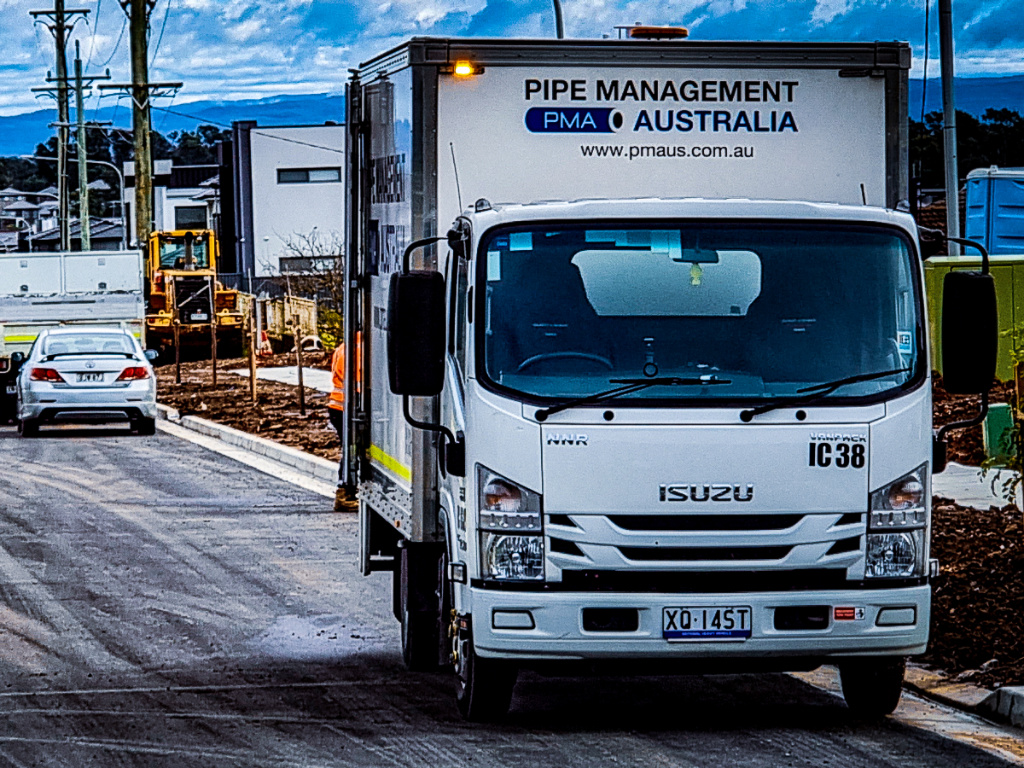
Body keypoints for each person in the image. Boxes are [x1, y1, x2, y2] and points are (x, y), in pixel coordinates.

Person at [328, 341, 355, 512]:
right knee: (351, 450)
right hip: (345, 408)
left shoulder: (345, 347)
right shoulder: (358, 349)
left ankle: (347, 490)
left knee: (351, 449)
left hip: (340, 407)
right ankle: (344, 492)